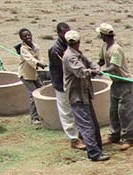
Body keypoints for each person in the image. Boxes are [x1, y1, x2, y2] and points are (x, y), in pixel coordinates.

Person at [63, 30, 109, 162]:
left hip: (85, 94)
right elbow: (81, 72)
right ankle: (94, 153)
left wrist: (95, 67)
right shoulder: (70, 56)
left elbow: (89, 63)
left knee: (93, 124)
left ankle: (97, 149)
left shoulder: (77, 54)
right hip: (76, 96)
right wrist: (93, 72)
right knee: (86, 125)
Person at [97, 23, 133, 150]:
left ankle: (128, 138)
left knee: (125, 112)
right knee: (113, 111)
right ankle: (114, 136)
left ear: (103, 35)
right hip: (116, 83)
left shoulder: (116, 49)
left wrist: (103, 72)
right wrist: (97, 66)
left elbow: (114, 66)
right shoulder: (104, 46)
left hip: (125, 83)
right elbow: (102, 60)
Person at [48, 22, 84, 150]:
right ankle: (73, 139)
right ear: (58, 34)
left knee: (76, 109)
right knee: (67, 112)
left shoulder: (71, 45)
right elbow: (67, 67)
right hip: (62, 84)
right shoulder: (56, 50)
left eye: (68, 31)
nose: (67, 34)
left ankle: (81, 134)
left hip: (71, 84)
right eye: (64, 32)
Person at [16, 28, 45, 125]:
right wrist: (39, 64)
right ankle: (34, 118)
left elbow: (40, 57)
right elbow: (30, 59)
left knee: (41, 92)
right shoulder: (23, 49)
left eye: (29, 35)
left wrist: (42, 62)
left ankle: (42, 114)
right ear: (21, 38)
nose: (28, 37)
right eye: (25, 36)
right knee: (33, 95)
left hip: (34, 74)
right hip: (26, 75)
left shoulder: (36, 46)